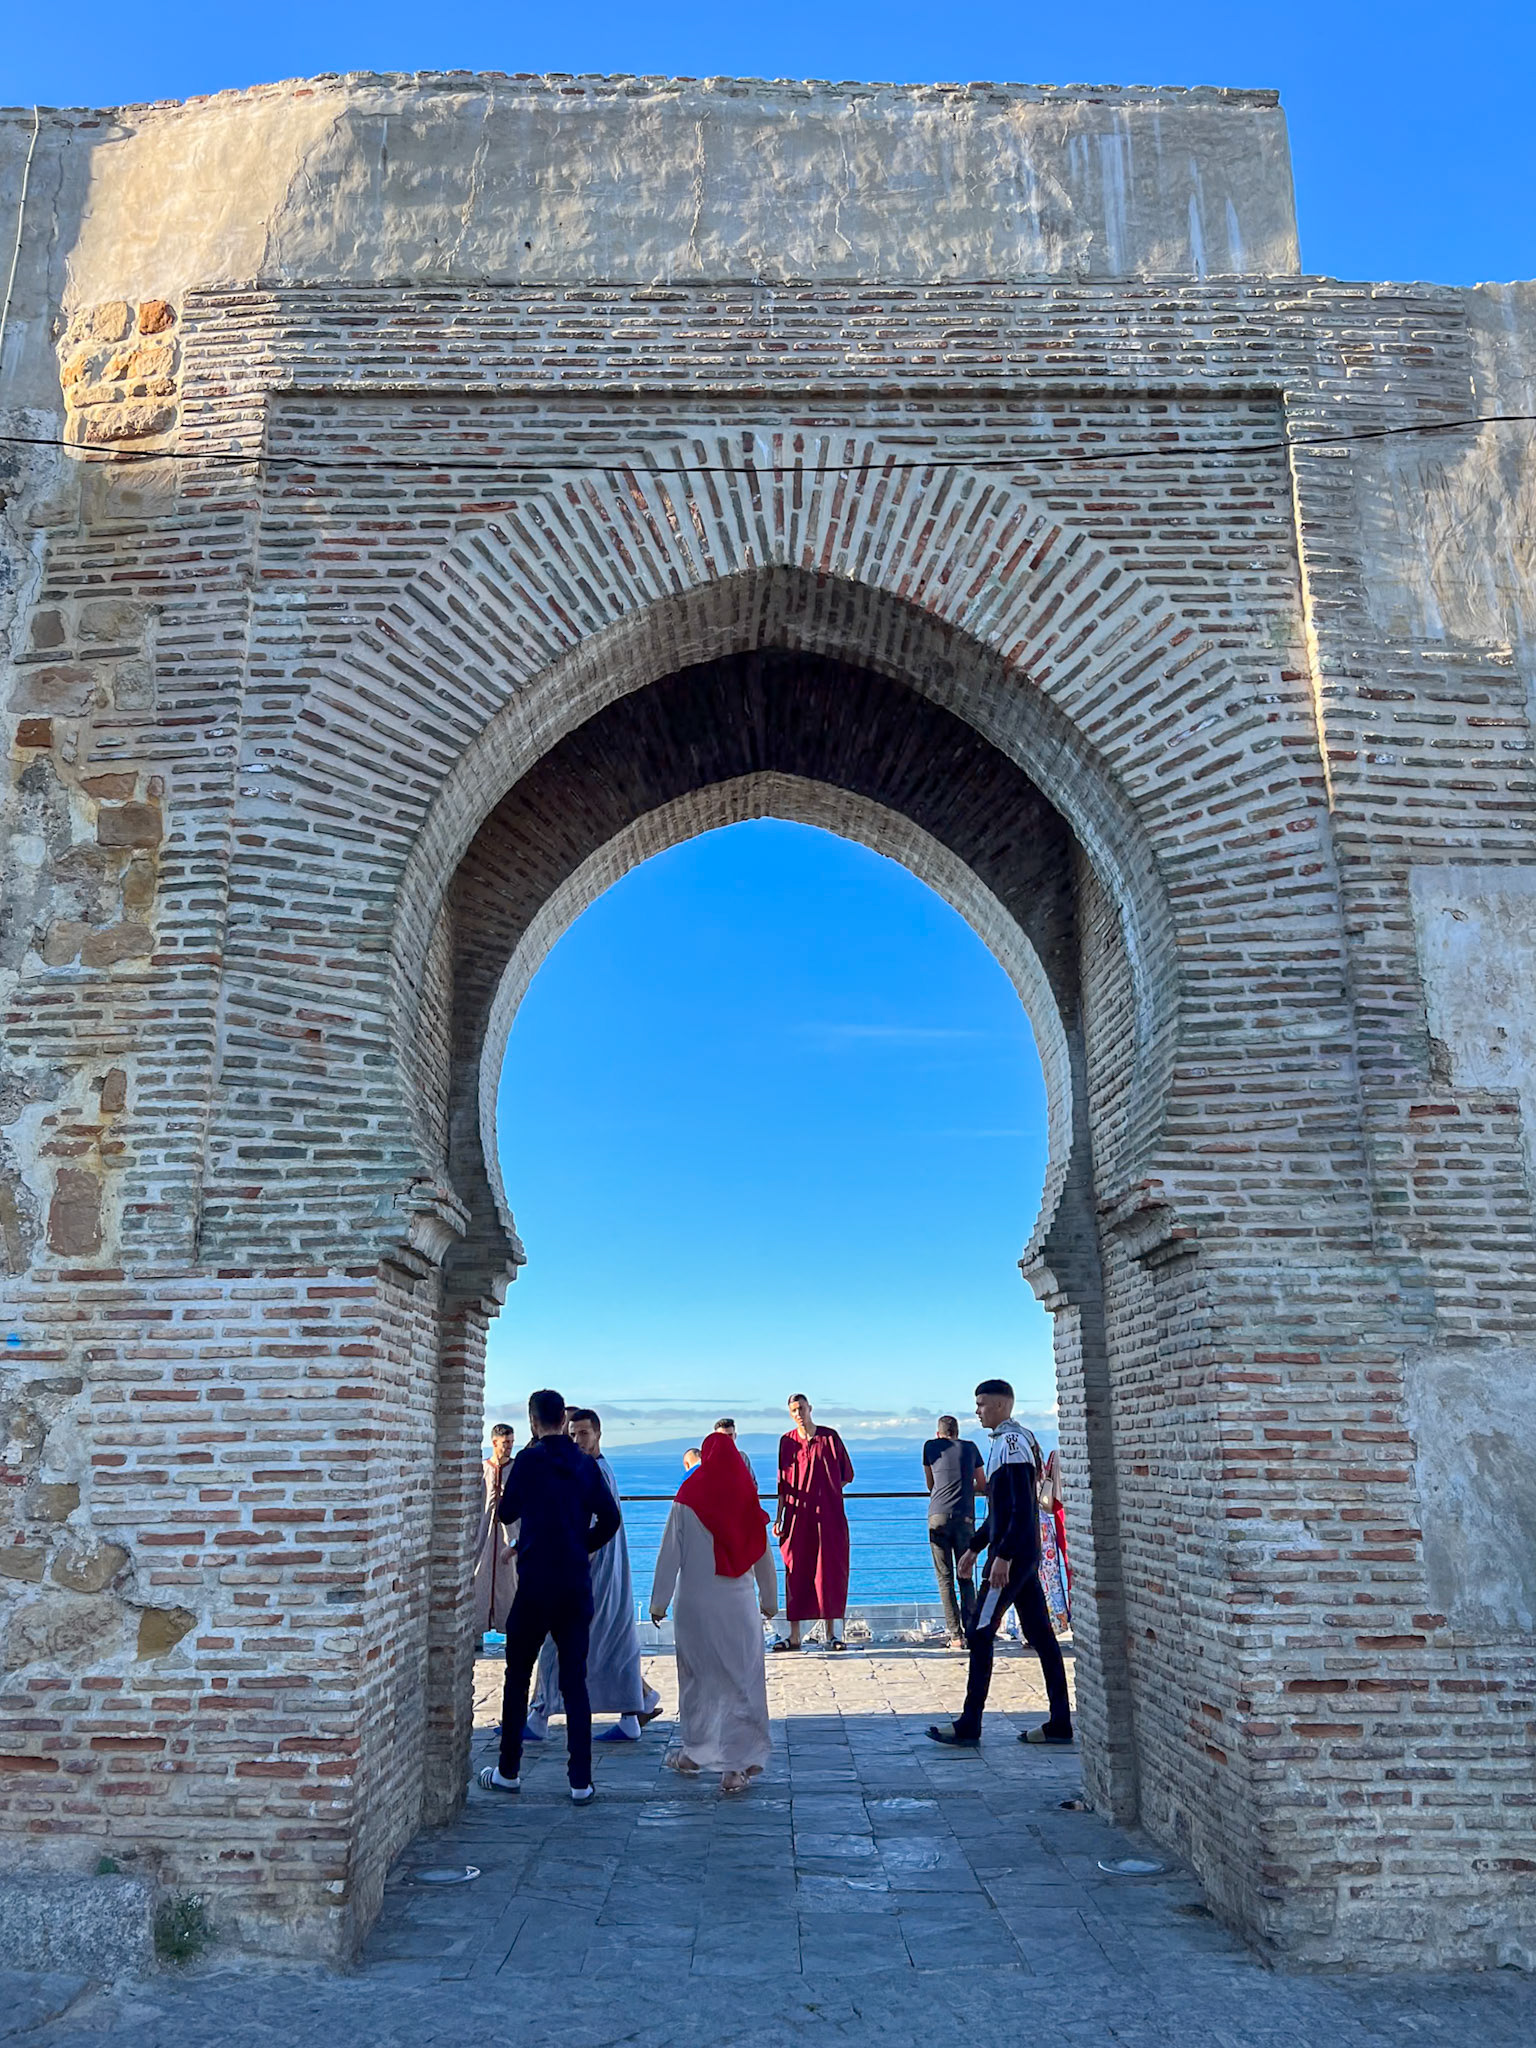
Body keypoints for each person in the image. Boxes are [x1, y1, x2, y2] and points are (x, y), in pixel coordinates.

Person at [477, 1388, 620, 1805]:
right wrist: (582, 1544)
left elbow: (505, 1514)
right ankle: (581, 1781)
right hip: (574, 1582)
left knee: (517, 1674)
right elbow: (610, 1518)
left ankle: (508, 1770)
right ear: (562, 1420)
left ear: (534, 1422)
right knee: (576, 1682)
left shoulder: (529, 1461)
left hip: (536, 1582)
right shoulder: (583, 1462)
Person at [925, 1379, 1073, 1750]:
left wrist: (1002, 1555)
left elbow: (1021, 1508)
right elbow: (999, 1509)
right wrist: (975, 1547)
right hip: (1022, 1552)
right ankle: (1059, 1722)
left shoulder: (1010, 1445)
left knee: (978, 1631)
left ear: (1003, 1405)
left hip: (1014, 1555)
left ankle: (970, 1724)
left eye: (982, 1404)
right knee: (1040, 1634)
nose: (977, 1411)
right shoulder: (1010, 1442)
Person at [650, 1432, 779, 1793]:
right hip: (737, 1607)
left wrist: (658, 1602)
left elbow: (669, 1554)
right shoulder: (746, 1502)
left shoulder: (686, 1499)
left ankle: (695, 1751)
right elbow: (763, 1555)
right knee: (742, 1683)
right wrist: (770, 1599)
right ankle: (736, 1766)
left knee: (697, 1681)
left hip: (695, 1607)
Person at [525, 1407, 662, 1745]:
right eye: (572, 1435)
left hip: (588, 1574)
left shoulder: (592, 1473)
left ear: (598, 1435)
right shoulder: (594, 1470)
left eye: (584, 1434)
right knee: (612, 1644)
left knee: (557, 1645)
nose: (577, 1440)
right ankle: (634, 1711)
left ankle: (539, 1716)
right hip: (601, 1572)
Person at [774, 1393, 854, 1651]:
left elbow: (845, 1474)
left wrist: (825, 1492)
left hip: (828, 1517)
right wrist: (779, 1518)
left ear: (810, 1409)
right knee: (796, 1571)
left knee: (829, 1571)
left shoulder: (829, 1437)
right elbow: (783, 1485)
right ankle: (794, 1635)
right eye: (793, 1410)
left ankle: (832, 1634)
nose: (798, 1413)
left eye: (802, 1408)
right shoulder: (786, 1442)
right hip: (798, 1517)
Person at [922, 1415, 984, 1646]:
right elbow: (982, 1483)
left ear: (938, 1433)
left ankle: (955, 1636)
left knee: (944, 1578)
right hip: (965, 1517)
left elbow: (930, 1485)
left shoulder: (930, 1446)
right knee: (966, 1576)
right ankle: (973, 1631)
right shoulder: (970, 1448)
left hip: (937, 1515)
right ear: (957, 1432)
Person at [472, 1423, 519, 1638]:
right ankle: (476, 1633)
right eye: (505, 1443)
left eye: (511, 1442)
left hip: (511, 1538)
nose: (509, 1447)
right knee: (479, 1580)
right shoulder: (483, 1470)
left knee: (511, 1584)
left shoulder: (517, 1470)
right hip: (484, 1537)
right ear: (494, 1443)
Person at [1037, 1446, 1071, 1634]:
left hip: (1030, 1523)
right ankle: (1059, 1621)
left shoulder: (1054, 1457)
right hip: (1044, 1525)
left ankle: (1035, 1626)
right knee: (1052, 1574)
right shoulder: (1041, 1463)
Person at [712, 1417, 756, 1483]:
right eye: (722, 1436)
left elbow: (753, 1484)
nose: (726, 1438)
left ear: (735, 1436)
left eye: (730, 1435)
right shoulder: (709, 1459)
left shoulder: (742, 1457)